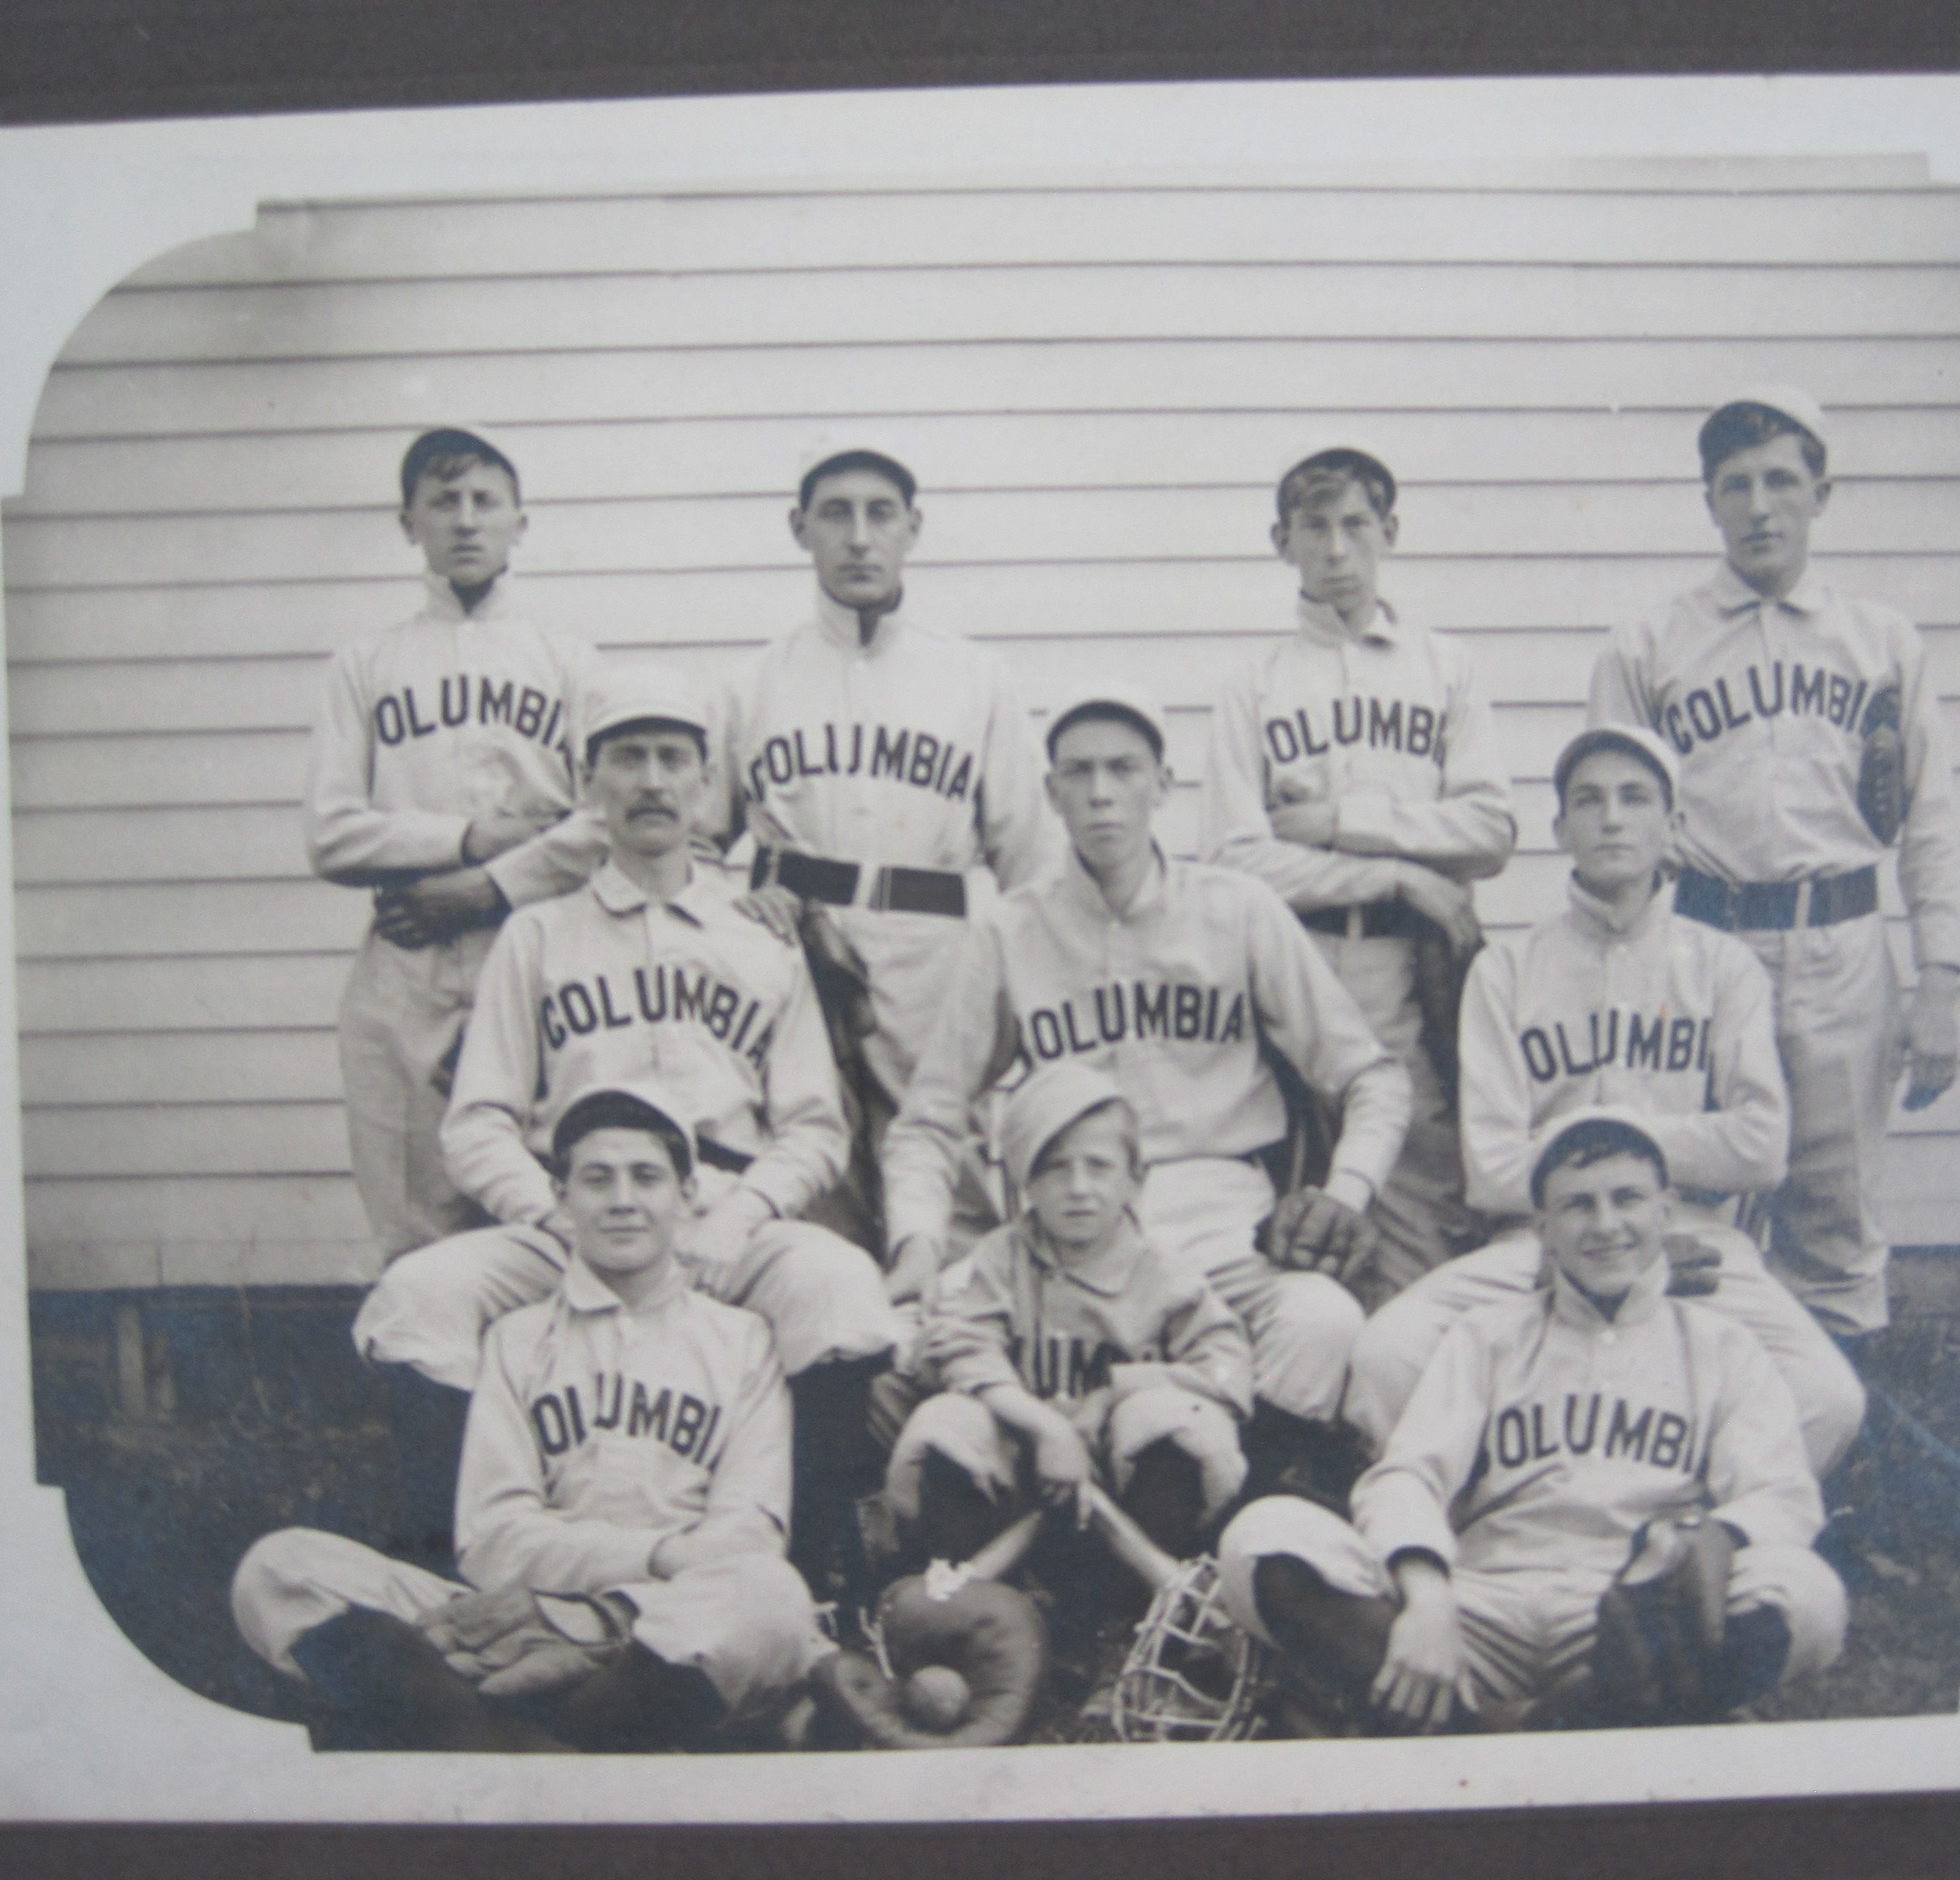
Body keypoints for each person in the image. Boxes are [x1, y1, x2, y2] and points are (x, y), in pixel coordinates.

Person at [351, 667, 898, 1591]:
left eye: (672, 759)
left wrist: (741, 1215)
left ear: (704, 783)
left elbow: (813, 1127)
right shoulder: (539, 933)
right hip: (574, 1208)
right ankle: (448, 1571)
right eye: (626, 758)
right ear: (589, 782)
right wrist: (547, 1212)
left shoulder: (757, 936)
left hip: (720, 1205)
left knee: (839, 1288)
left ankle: (812, 1575)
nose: (650, 779)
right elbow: (477, 1119)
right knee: (419, 1297)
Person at [880, 682, 1410, 1497]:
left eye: (1124, 769)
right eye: (1078, 772)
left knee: (1323, 1321)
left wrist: (1346, 1191)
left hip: (1218, 1220)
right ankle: (1051, 1532)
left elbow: (1370, 1075)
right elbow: (929, 1119)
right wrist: (916, 1242)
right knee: (918, 1334)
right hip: (1061, 1232)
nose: (1101, 793)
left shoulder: (1238, 909)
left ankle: (1235, 1512)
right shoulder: (1011, 929)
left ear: (1163, 785)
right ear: (1050, 792)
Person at [231, 1086, 825, 1753]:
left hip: (656, 1630)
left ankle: (489, 1735)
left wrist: (592, 1616)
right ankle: (560, 1743)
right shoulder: (516, 1339)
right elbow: (492, 1540)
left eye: (647, 1178)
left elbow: (745, 1541)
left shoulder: (744, 1342)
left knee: (768, 1596)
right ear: (562, 1198)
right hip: (512, 1619)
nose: (623, 1200)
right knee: (280, 1569)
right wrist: (657, 1553)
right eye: (597, 1179)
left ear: (687, 1196)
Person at [1218, 1112, 1847, 1734]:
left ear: (1666, 1210)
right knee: (1262, 1536)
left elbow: (1781, 1493)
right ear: (1542, 1229)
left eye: (1627, 1199)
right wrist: (1429, 1599)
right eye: (1578, 1206)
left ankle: (1479, 1729)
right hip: (1482, 1607)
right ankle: (1592, 1724)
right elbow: (1408, 1474)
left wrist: (1711, 1538)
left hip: (1633, 1620)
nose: (1606, 1226)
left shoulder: (1722, 1344)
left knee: (1811, 1597)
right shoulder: (1486, 1335)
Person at [1342, 725, 1864, 1474]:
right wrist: (1607, 1193)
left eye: (1635, 798)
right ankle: (1506, 1511)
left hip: (1691, 1238)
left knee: (1826, 1396)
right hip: (1536, 1243)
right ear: (1560, 831)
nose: (1612, 818)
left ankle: (1685, 1529)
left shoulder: (1724, 967)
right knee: (1386, 1354)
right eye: (1588, 801)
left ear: (1673, 826)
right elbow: (1491, 1170)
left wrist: (1602, 1147)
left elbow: (1761, 1147)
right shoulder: (1509, 971)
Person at [1588, 387, 1960, 1339]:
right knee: (1691, 1193)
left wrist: (1941, 984)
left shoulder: (1880, 642)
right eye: (1736, 485)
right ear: (1709, 501)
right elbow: (1611, 824)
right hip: (1703, 942)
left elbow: (1930, 821)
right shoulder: (1650, 642)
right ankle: (1694, 1417)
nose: (1760, 506)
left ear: (1820, 495)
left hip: (1842, 941)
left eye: (1782, 482)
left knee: (1836, 1205)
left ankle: (1833, 1447)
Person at [714, 448, 1060, 1280]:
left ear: (913, 528)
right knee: (811, 1161)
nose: (860, 537)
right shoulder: (751, 681)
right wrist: (743, 901)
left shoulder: (975, 676)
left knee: (946, 1159)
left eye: (880, 514)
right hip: (801, 945)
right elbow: (694, 842)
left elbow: (1030, 857)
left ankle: (950, 1364)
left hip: (935, 939)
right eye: (835, 514)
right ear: (801, 531)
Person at [1202, 447, 1517, 1303]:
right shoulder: (1254, 685)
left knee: (1418, 1169)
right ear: (1282, 542)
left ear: (1390, 533)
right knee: (1300, 1165)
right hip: (1297, 958)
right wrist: (1394, 877)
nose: (1337, 550)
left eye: (1355, 526)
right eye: (1315, 528)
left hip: (1413, 966)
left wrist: (1346, 825)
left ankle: (1404, 1383)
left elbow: (1489, 831)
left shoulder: (1443, 666)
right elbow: (1233, 858)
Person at [305, 427, 607, 1261]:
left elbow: (605, 818)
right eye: (444, 503)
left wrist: (492, 884)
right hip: (408, 959)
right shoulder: (366, 665)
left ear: (520, 520)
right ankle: (427, 1390)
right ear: (409, 523)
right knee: (413, 1211)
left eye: (485, 502)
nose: (466, 522)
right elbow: (330, 833)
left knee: (547, 1195)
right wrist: (466, 837)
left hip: (537, 946)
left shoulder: (569, 662)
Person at [884, 1060, 1254, 1574]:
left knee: (1174, 1421)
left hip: (1123, 1490)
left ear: (1135, 1180)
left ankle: (1147, 1594)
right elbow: (960, 1346)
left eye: (1099, 1166)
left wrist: (1116, 1392)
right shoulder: (1000, 1258)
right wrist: (1046, 1430)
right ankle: (970, 1581)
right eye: (1055, 1167)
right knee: (948, 1421)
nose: (1079, 1187)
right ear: (1024, 1184)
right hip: (1023, 1478)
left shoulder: (1166, 1274)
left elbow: (1227, 1370)